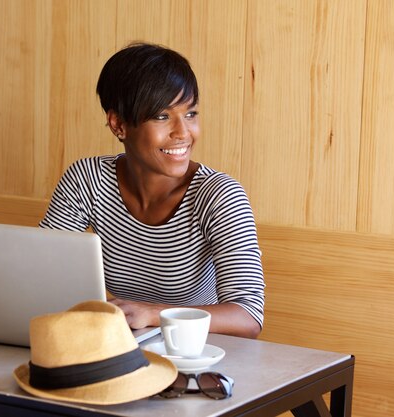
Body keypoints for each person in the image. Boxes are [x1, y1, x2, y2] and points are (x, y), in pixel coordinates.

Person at [39, 42, 264, 338]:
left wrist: (152, 314)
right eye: (162, 116)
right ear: (118, 124)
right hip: (125, 349)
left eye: (191, 114)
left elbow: (248, 315)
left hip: (199, 357)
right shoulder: (87, 179)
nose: (183, 133)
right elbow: (41, 271)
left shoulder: (219, 195)